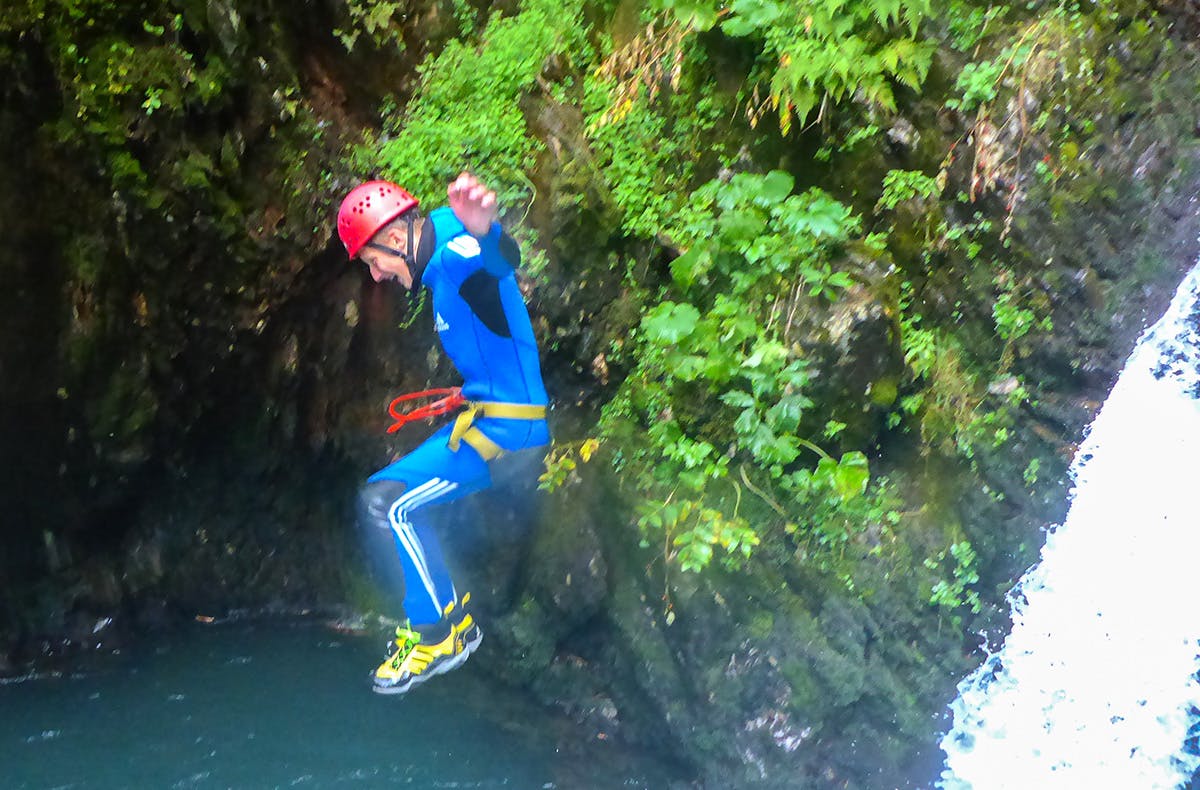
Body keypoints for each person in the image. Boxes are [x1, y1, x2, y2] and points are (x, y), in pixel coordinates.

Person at [335, 173, 550, 694]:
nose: (378, 275)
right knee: (386, 497)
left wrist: (488, 234)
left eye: (374, 260)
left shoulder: (456, 256)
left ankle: (436, 635)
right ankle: (452, 624)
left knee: (388, 505)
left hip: (507, 435)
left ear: (398, 236)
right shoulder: (438, 240)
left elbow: (496, 266)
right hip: (487, 418)